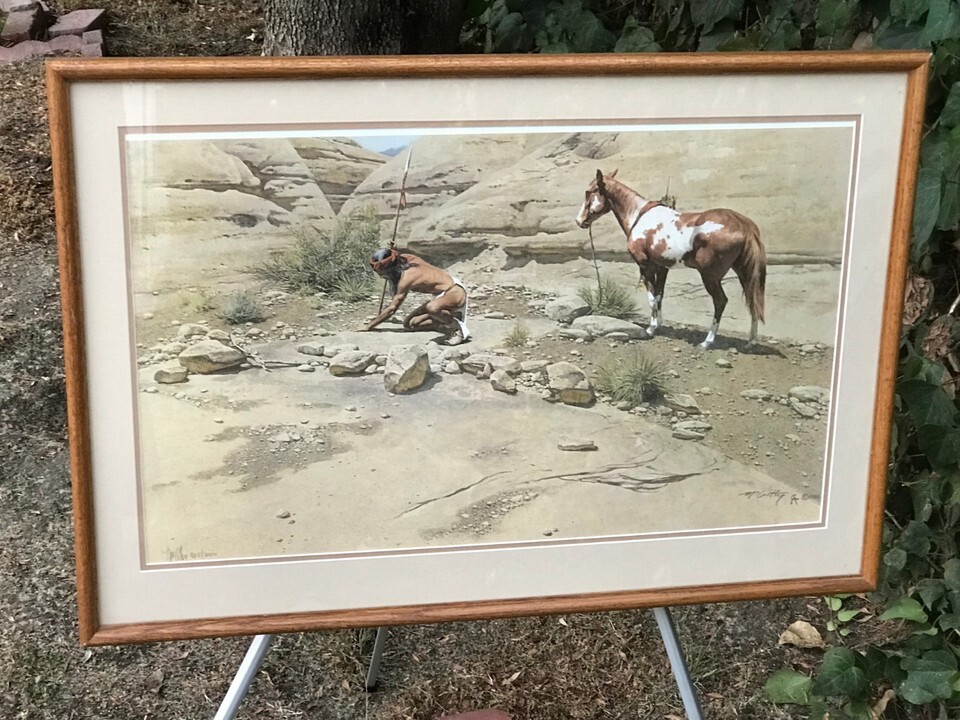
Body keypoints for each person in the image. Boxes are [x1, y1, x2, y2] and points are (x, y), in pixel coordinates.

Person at [364, 248, 470, 345]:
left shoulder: (407, 278)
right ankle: (443, 321)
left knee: (432, 308)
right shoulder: (406, 258)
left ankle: (456, 329)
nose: (381, 276)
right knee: (410, 324)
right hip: (439, 295)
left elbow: (392, 309)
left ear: (390, 269)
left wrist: (370, 326)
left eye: (382, 273)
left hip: (454, 291)